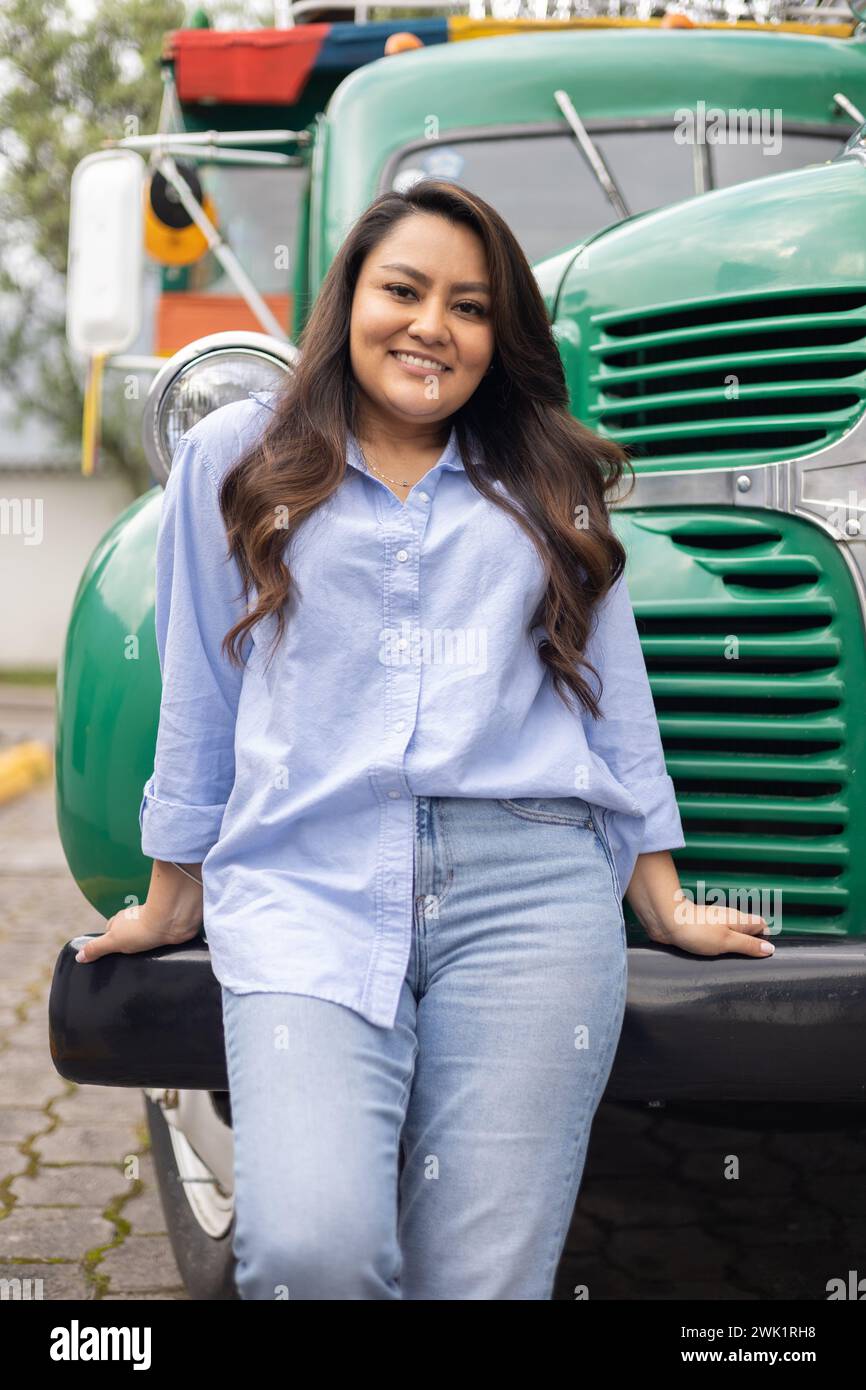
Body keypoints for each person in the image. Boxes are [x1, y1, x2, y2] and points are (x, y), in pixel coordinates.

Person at [76, 178, 773, 1300]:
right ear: (349, 295)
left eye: (469, 306)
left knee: (477, 1283)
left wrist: (662, 897)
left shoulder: (549, 478)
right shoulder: (233, 457)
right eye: (402, 290)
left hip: (528, 894)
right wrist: (172, 895)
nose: (430, 326)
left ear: (499, 339)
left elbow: (611, 692)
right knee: (312, 1252)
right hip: (305, 882)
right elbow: (202, 688)